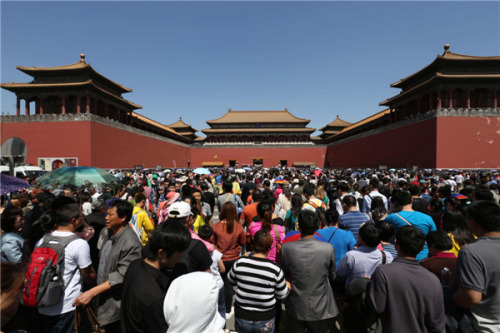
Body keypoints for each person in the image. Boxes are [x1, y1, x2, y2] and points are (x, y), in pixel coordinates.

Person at [73, 200, 142, 332]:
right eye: (106, 214)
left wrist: (92, 292)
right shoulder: (107, 233)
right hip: (101, 298)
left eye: (111, 215)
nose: (106, 217)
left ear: (123, 218)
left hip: (115, 305)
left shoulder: (130, 243)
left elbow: (122, 275)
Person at [369, 226, 445, 333]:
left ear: (396, 243)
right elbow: (438, 324)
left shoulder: (383, 272)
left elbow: (377, 307)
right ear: (423, 247)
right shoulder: (433, 280)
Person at [36, 201, 97, 333]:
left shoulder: (42, 240)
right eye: (81, 216)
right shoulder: (79, 244)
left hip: (42, 303)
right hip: (67, 306)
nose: (83, 218)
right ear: (74, 220)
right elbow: (88, 274)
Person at [121, 220, 191, 333]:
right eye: (179, 252)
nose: (182, 256)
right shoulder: (154, 295)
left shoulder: (134, 266)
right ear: (161, 253)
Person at [281, 210, 338, 333]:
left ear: (299, 227)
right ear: (317, 226)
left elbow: (284, 273)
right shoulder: (327, 248)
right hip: (320, 305)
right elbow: (333, 274)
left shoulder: (287, 248)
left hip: (296, 304)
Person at [228, 230, 290, 333]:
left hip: (242, 316)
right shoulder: (274, 269)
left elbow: (231, 280)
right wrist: (288, 285)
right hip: (265, 319)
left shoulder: (240, 262)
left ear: (253, 245)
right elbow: (282, 295)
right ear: (269, 248)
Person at [454, 201, 500, 332]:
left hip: (488, 327)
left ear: (473, 223)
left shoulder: (471, 252)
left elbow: (471, 298)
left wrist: (451, 296)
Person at [214, 201, 246, 318]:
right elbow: (243, 242)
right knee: (230, 284)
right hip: (234, 258)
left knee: (222, 283)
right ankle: (228, 308)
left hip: (221, 259)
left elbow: (213, 241)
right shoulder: (238, 226)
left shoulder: (216, 226)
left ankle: (222, 307)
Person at [384, 191, 436, 261]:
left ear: (396, 203)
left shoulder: (391, 217)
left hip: (399, 257)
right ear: (412, 201)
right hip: (423, 257)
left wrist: (389, 211)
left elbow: (379, 228)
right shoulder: (427, 218)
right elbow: (434, 237)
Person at [198, 224, 226, 319]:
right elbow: (223, 269)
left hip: (205, 286)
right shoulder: (216, 253)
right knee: (221, 308)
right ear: (211, 237)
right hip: (218, 284)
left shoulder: (198, 252)